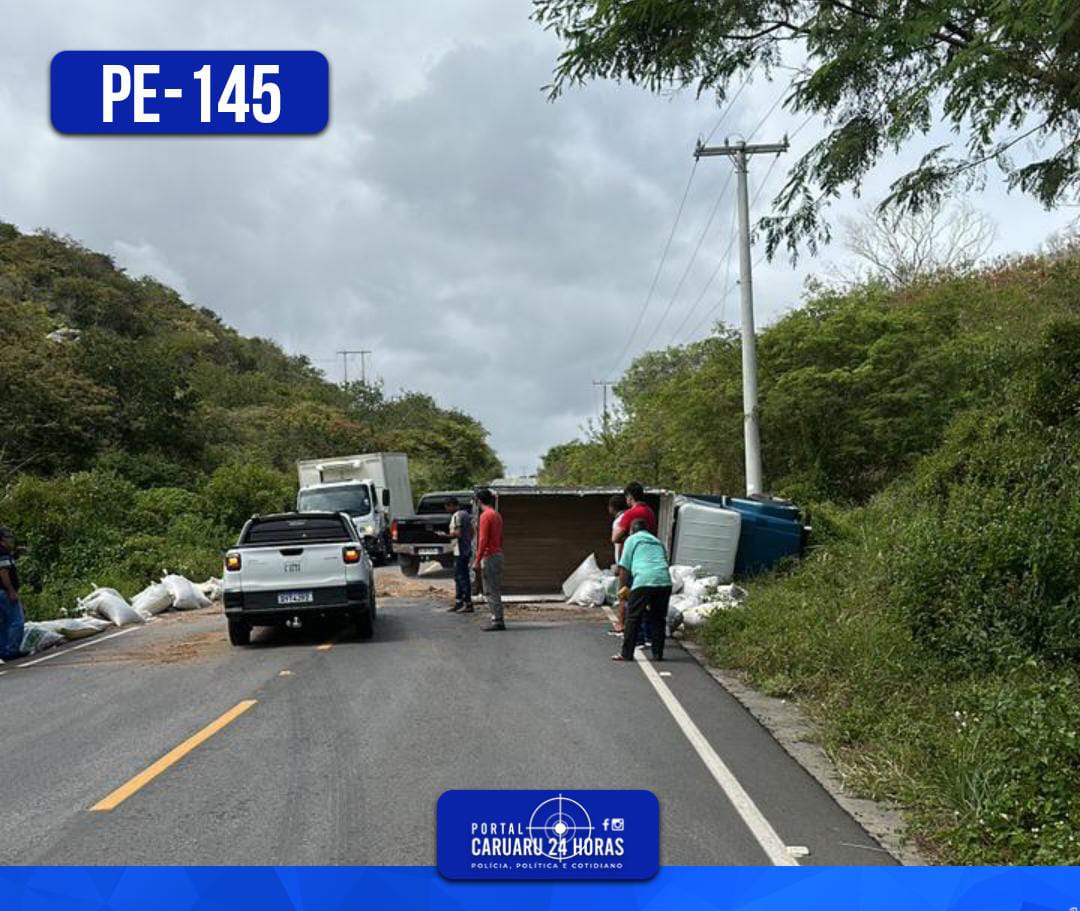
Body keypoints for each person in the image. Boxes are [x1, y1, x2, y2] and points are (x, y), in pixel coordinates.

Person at [613, 518, 671, 663]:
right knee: (658, 618)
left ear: (632, 530)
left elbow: (624, 567)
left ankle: (626, 654)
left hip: (644, 580)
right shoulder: (657, 542)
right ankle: (658, 654)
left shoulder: (632, 540)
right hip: (664, 581)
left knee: (633, 617)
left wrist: (623, 589)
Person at [472, 488, 505, 632]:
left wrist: (477, 560)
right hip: (497, 554)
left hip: (490, 556)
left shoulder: (485, 516)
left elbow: (483, 539)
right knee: (495, 588)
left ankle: (497, 620)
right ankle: (497, 618)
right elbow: (499, 537)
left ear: (479, 501)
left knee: (490, 589)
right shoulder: (497, 515)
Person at [440, 496, 474, 613]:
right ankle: (459, 601)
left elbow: (457, 534)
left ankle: (467, 603)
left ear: (452, 505)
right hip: (464, 549)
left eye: (447, 507)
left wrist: (444, 535)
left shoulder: (457, 516)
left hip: (460, 550)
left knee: (462, 577)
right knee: (459, 577)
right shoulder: (465, 515)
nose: (446, 509)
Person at [0, 527, 26, 662]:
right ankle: (11, 650)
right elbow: (3, 572)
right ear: (2, 539)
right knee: (17, 621)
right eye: (9, 538)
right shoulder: (2, 552)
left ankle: (4, 650)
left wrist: (16, 555)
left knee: (5, 622)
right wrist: (11, 590)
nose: (11, 540)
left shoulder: (5, 553)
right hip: (4, 592)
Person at [607, 493, 628, 634]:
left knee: (623, 594)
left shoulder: (619, 521)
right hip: (631, 562)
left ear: (612, 508)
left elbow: (619, 542)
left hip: (625, 564)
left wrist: (620, 564)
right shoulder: (628, 517)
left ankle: (621, 624)